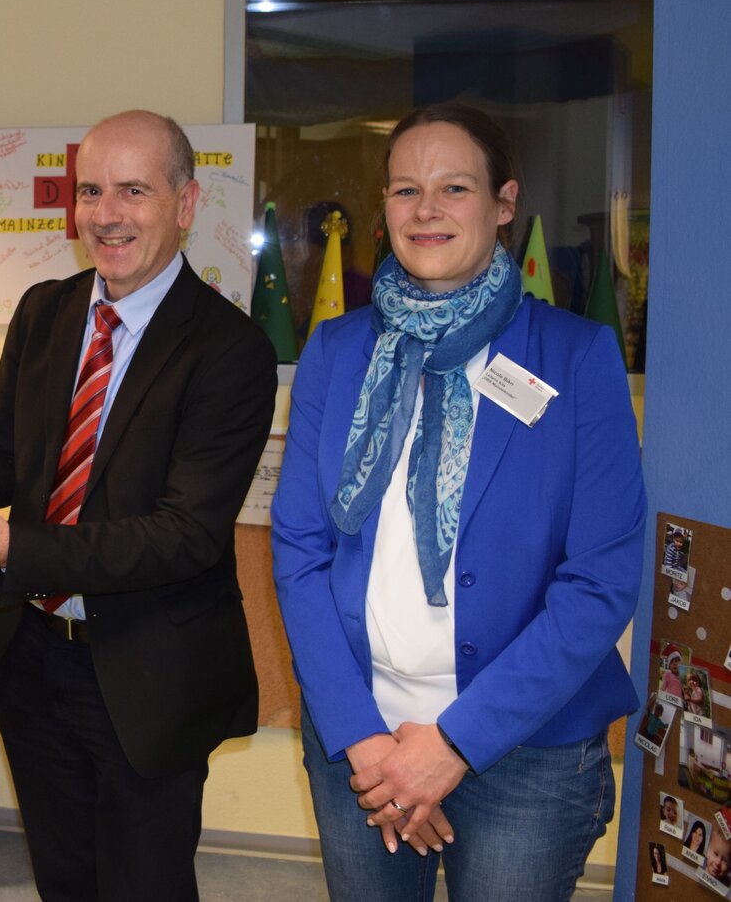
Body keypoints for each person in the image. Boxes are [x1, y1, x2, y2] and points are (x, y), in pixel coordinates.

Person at [0, 109, 277, 900]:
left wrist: (11, 548)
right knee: (64, 881)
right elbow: (11, 468)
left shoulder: (229, 349)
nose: (106, 214)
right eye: (90, 190)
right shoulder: (45, 311)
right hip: (34, 659)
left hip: (148, 673)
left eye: (134, 190)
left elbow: (185, 535)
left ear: (187, 202)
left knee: (143, 885)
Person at [271, 103, 644, 900]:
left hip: (527, 752)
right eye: (406, 190)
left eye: (455, 187)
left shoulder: (576, 358)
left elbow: (600, 580)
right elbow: (300, 549)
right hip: (358, 743)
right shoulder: (337, 352)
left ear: (504, 202)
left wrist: (453, 744)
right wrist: (364, 739)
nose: (427, 210)